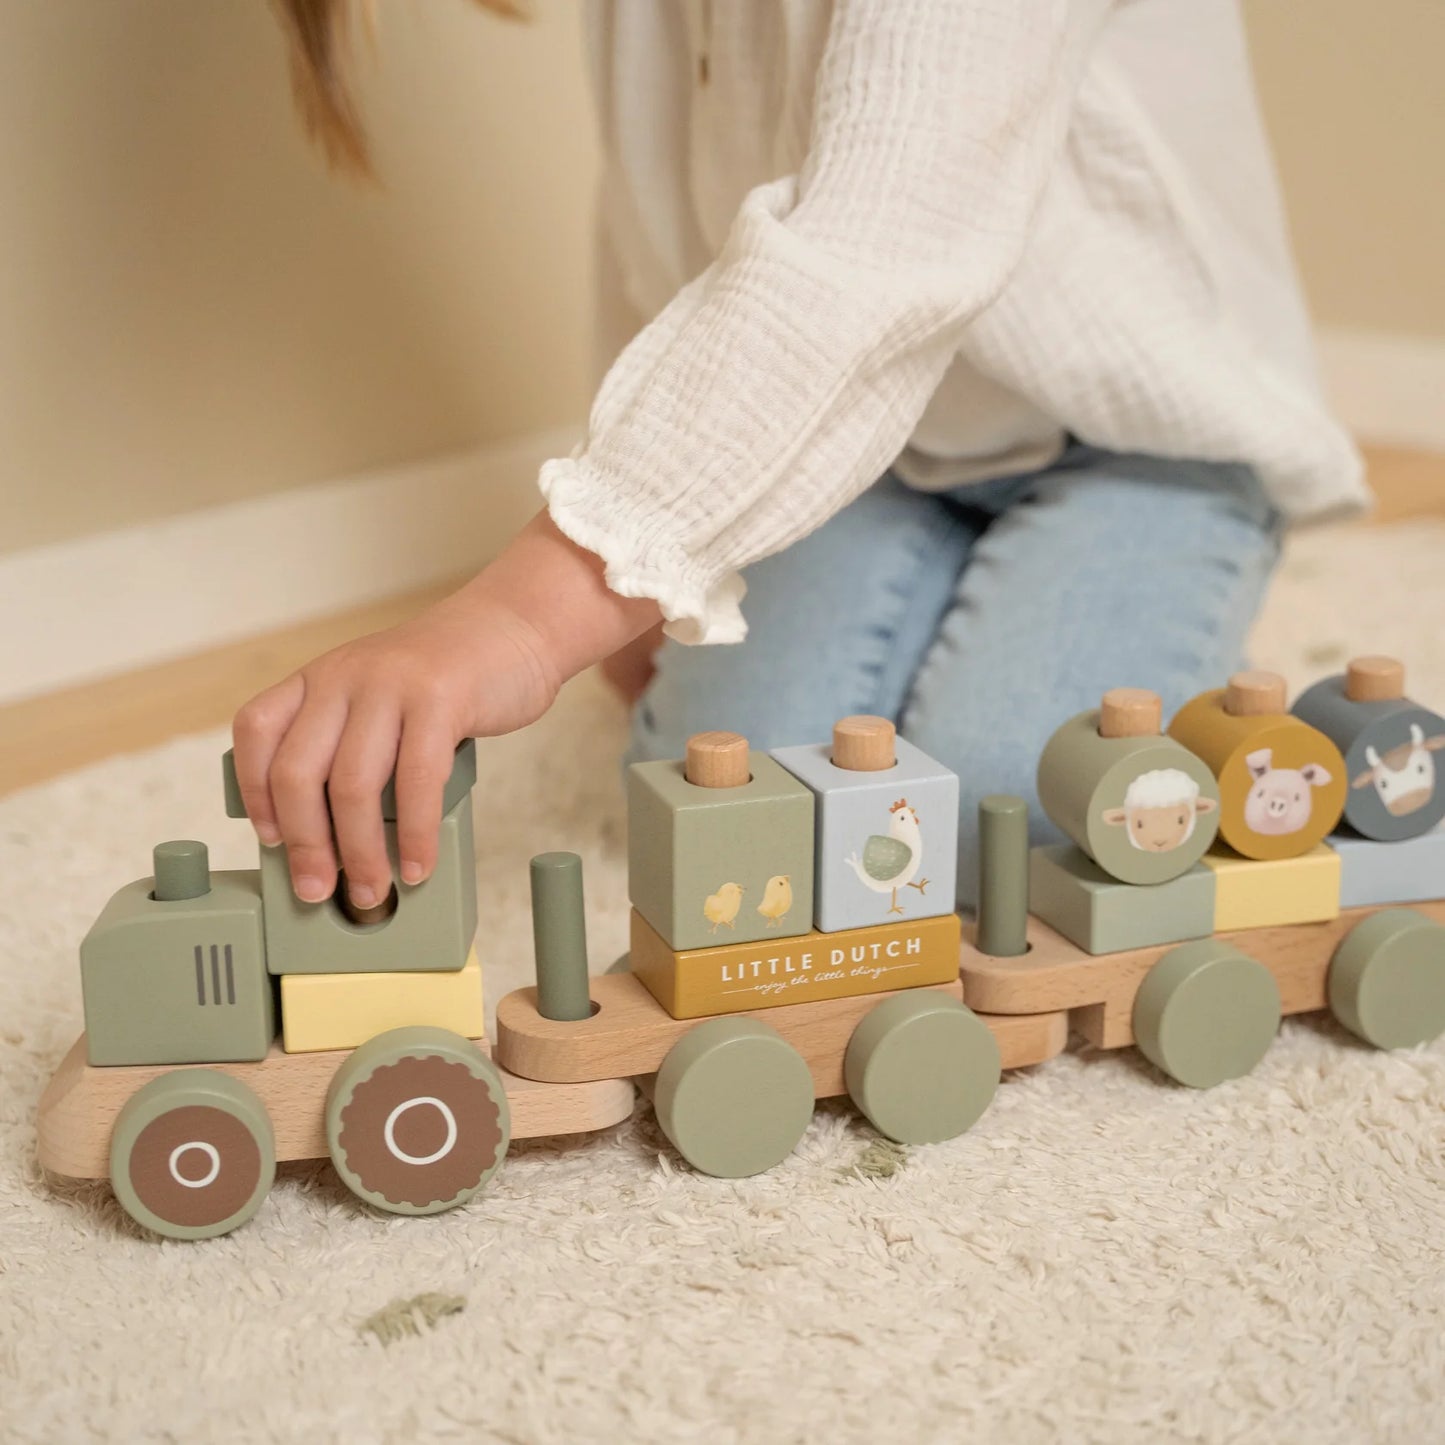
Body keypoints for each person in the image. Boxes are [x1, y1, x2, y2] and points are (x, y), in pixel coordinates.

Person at [233, 0, 1366, 912]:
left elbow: (884, 235)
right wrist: (647, 562)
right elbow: (666, 223)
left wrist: (533, 611)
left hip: (1135, 445)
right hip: (873, 459)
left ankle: (1161, 586)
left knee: (1002, 828)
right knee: (717, 804)